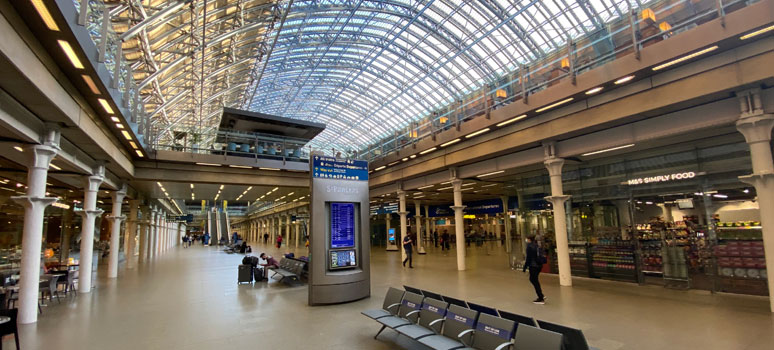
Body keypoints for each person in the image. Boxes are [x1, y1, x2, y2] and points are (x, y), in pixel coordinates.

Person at [523, 235, 546, 304]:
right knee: (534, 280)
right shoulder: (537, 245)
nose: (526, 240)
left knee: (534, 280)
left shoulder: (529, 247)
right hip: (539, 265)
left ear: (529, 239)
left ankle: (540, 298)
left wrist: (525, 267)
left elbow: (528, 258)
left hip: (533, 266)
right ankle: (541, 295)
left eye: (527, 239)